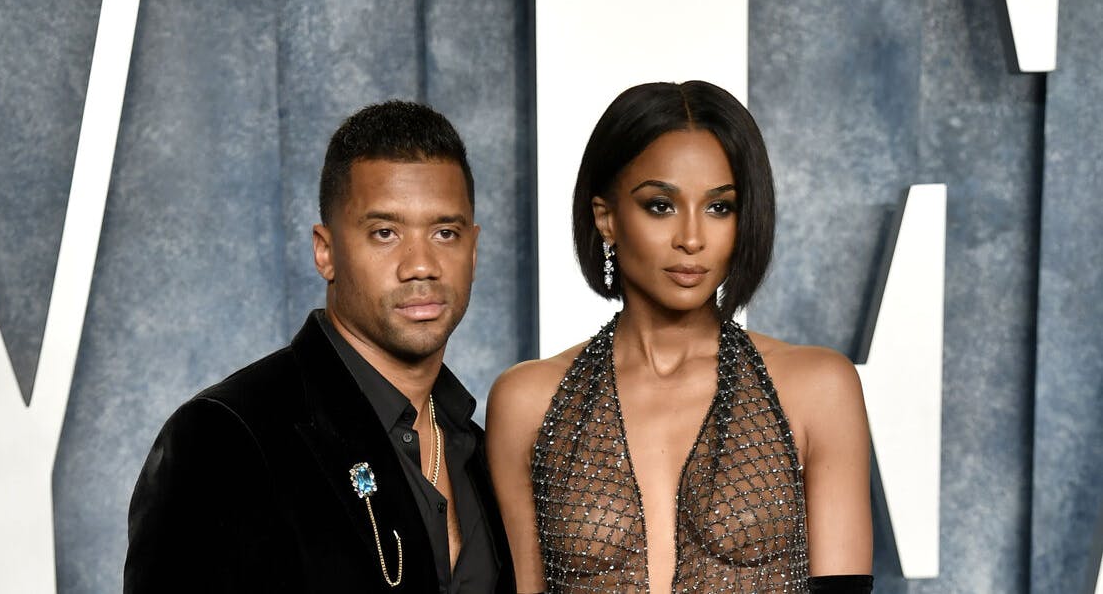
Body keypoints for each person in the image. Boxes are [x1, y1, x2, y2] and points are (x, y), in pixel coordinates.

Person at [487, 81, 872, 593]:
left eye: (719, 208)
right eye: (660, 205)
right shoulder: (527, 401)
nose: (691, 238)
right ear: (606, 218)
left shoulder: (818, 388)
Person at [125, 101, 515, 593]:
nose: (421, 265)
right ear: (325, 251)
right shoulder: (225, 438)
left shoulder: (486, 453)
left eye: (444, 233)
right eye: (385, 233)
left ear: (473, 251)